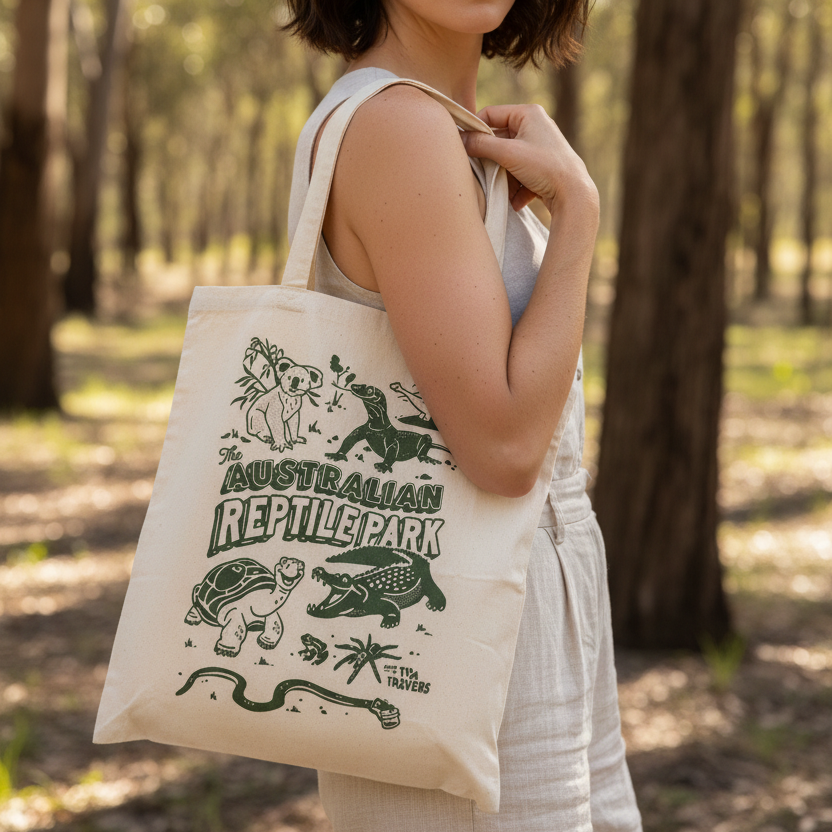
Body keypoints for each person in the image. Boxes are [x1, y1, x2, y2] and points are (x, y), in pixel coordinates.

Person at [284, 1, 642, 830]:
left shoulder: (421, 123)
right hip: (464, 643)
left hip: (519, 624)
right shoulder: (396, 126)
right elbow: (508, 447)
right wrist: (580, 212)